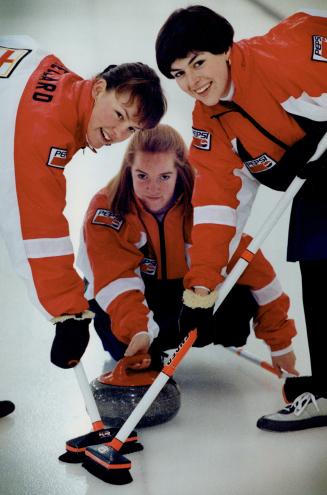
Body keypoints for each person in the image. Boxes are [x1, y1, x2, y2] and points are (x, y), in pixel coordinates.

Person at [155, 6, 327, 430]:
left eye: (198, 63)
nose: (192, 82)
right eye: (179, 74)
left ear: (225, 49)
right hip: (318, 177)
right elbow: (217, 207)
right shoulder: (208, 122)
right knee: (317, 260)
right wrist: (200, 291)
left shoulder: (283, 64)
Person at [0, 35, 166, 371]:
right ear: (97, 88)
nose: (119, 134)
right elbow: (36, 228)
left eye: (131, 128)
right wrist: (69, 313)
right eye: (119, 114)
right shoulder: (41, 130)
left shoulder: (59, 78)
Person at [77, 124, 297, 376]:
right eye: (142, 176)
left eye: (164, 176)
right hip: (130, 300)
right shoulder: (107, 210)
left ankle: (178, 336)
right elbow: (113, 278)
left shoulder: (204, 208)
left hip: (185, 297)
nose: (153, 187)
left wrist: (281, 345)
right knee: (122, 341)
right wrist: (138, 330)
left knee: (238, 303)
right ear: (128, 170)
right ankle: (146, 342)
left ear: (179, 170)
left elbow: (259, 275)